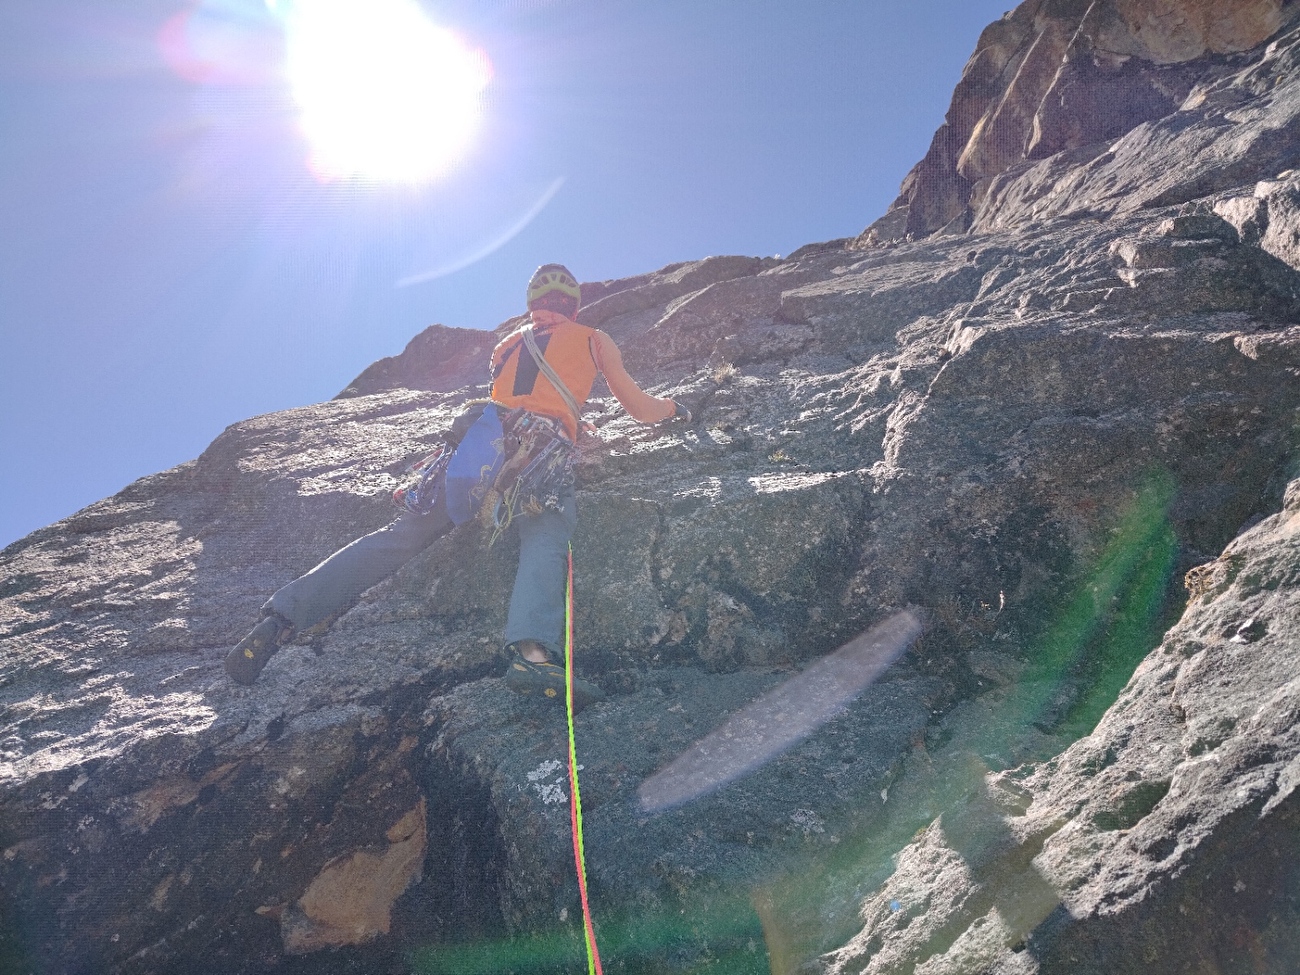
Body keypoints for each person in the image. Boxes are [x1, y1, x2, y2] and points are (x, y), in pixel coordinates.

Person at [223, 264, 690, 707]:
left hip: (476, 448)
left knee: (399, 538)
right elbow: (640, 408)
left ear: (533, 303)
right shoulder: (592, 338)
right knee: (546, 535)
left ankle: (280, 619)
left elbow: (510, 396)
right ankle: (532, 658)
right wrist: (677, 409)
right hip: (539, 452)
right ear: (574, 304)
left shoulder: (507, 344)